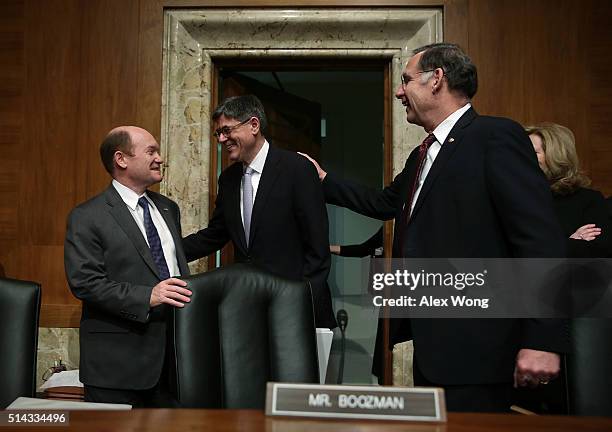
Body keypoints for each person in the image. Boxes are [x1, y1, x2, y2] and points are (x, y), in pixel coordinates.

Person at [301, 43, 568, 412]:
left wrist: (543, 338)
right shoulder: (422, 154)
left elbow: (540, 241)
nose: (399, 91)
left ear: (437, 80)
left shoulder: (495, 137)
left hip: (481, 348)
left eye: (406, 80)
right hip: (436, 347)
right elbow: (382, 204)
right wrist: (323, 179)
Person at [182, 95, 335, 329]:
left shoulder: (296, 169)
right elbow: (216, 234)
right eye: (218, 134)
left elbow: (317, 247)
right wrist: (167, 250)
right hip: (249, 308)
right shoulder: (229, 179)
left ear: (253, 125)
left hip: (297, 307)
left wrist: (302, 300)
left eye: (226, 130)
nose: (222, 139)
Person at [64, 126, 192, 406]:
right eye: (151, 151)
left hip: (175, 364)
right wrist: (148, 296)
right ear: (121, 159)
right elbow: (85, 283)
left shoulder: (169, 208)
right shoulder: (87, 216)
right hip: (116, 367)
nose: (160, 158)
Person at [526, 123, 612, 257]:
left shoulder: (588, 200)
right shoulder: (515, 197)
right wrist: (569, 241)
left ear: (556, 157)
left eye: (534, 152)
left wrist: (559, 246)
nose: (524, 156)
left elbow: (599, 250)